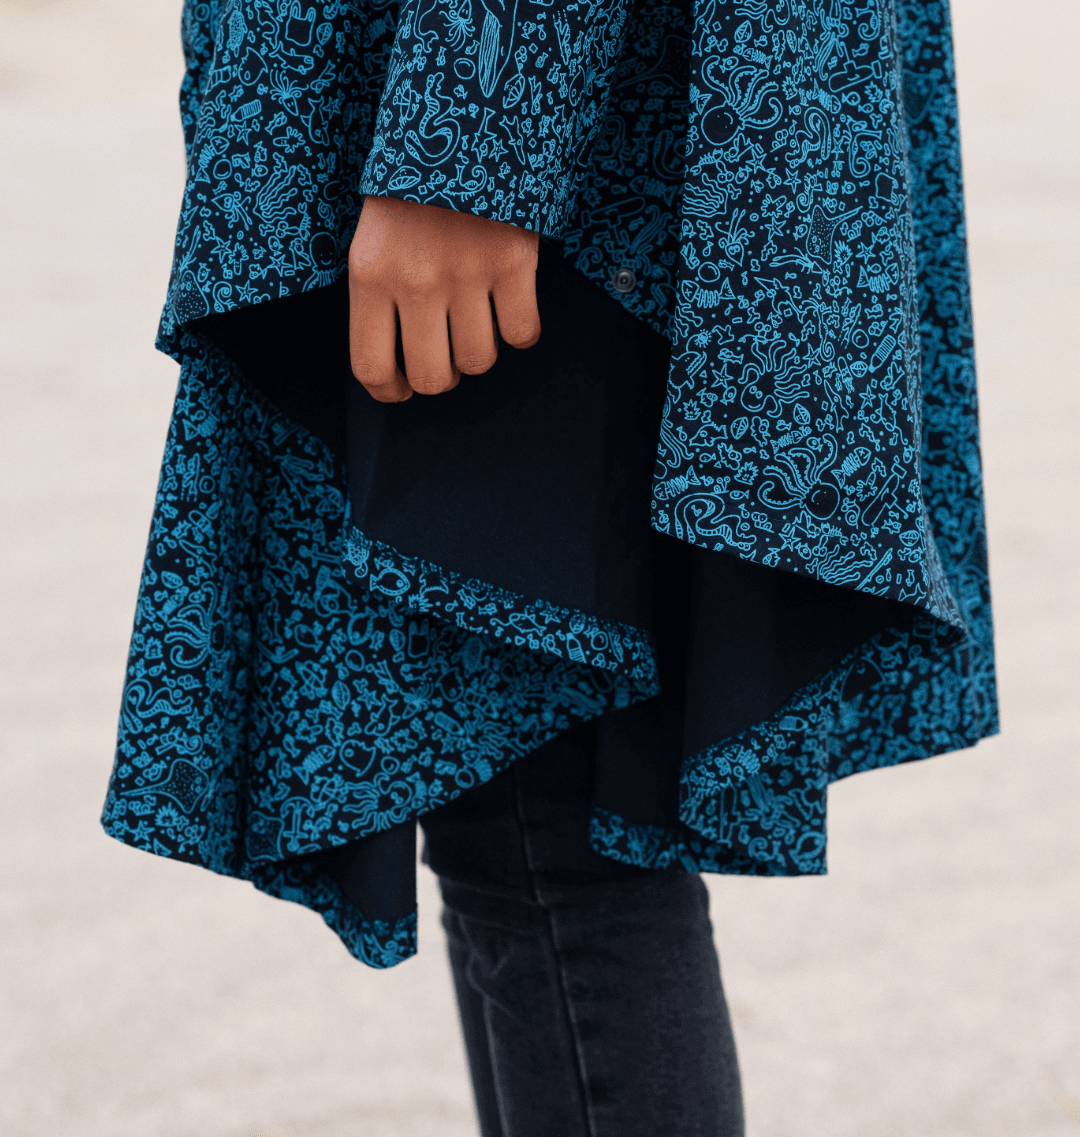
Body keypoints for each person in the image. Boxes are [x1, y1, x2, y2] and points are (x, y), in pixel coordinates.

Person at [102, 0, 998, 1132]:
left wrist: (474, 135)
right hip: (542, 88)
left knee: (543, 807)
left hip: (548, 106)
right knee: (514, 816)